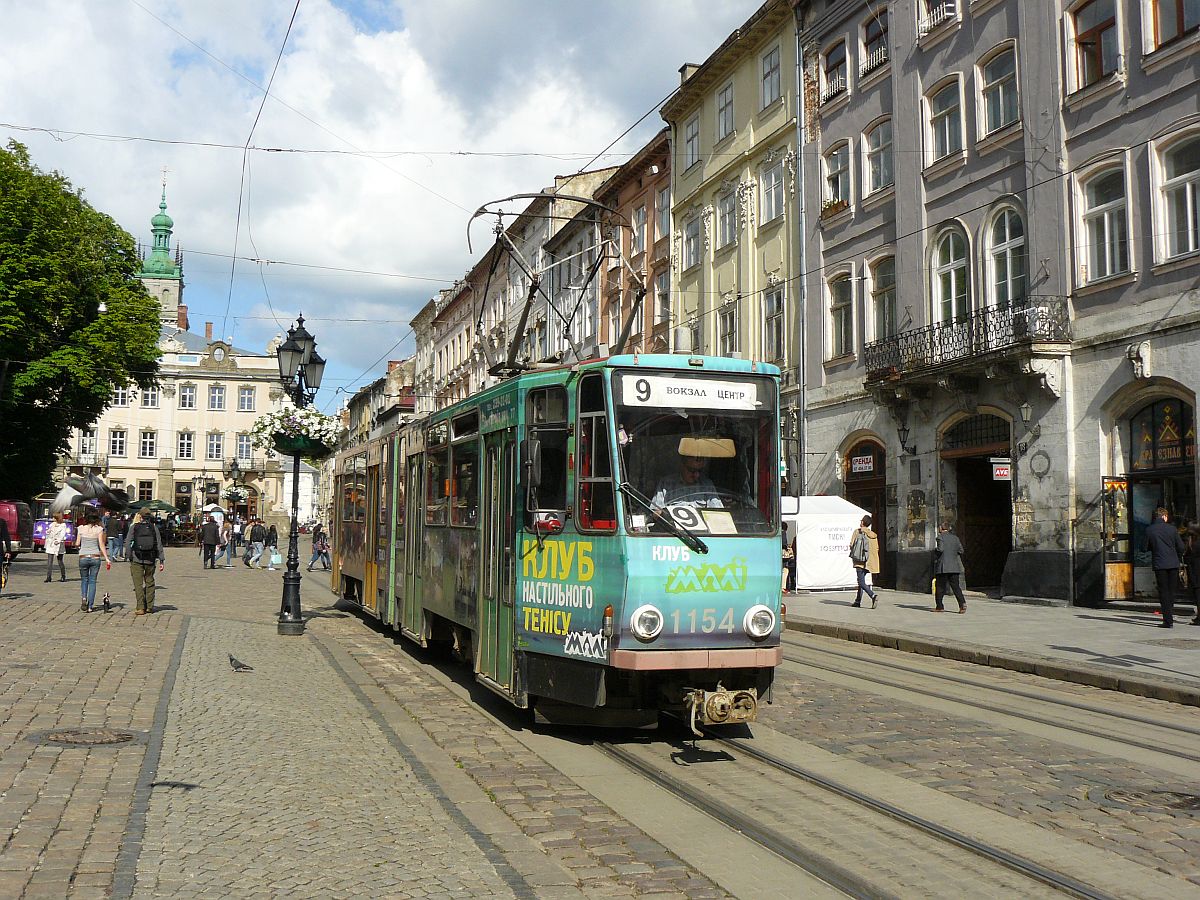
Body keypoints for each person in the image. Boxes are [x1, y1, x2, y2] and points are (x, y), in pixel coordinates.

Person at [1143, 507, 1185, 628]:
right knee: (1171, 591)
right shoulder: (1172, 529)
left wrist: (1154, 547)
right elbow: (1181, 546)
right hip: (1173, 563)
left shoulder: (1149, 530)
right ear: (1164, 516)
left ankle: (1168, 620)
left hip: (1159, 564)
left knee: (1164, 591)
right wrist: (1176, 555)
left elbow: (1143, 548)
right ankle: (1169, 613)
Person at [126, 509, 165, 615]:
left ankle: (140, 607)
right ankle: (150, 606)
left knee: (138, 584)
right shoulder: (154, 528)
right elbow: (159, 544)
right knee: (150, 582)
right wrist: (161, 559)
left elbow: (128, 542)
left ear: (140, 516)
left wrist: (128, 556)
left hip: (136, 558)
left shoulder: (134, 527)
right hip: (151, 558)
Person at [652, 452, 723, 509]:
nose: (697, 475)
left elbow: (718, 512)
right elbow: (655, 512)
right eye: (692, 470)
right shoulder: (666, 484)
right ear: (682, 466)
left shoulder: (707, 485)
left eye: (700, 471)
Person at [73, 510, 111, 612]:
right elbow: (101, 544)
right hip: (95, 557)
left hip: (83, 557)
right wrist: (107, 558)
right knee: (92, 581)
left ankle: (84, 598)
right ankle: (90, 606)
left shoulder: (81, 528)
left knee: (84, 579)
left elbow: (77, 543)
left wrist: (78, 545)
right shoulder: (99, 529)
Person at [933, 521, 966, 613]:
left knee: (940, 587)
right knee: (956, 587)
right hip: (954, 567)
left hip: (943, 567)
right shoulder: (955, 538)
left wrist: (935, 551)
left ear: (941, 528)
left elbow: (940, 549)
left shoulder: (940, 537)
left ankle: (939, 606)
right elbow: (961, 550)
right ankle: (962, 604)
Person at [850, 514, 881, 609]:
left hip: (859, 561)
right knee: (861, 582)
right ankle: (857, 601)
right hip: (869, 562)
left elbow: (851, 545)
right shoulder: (873, 535)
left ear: (863, 522)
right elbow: (877, 548)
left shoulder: (857, 532)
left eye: (861, 521)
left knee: (861, 582)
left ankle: (873, 596)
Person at [43, 513, 69, 583]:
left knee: (60, 561)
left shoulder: (63, 525)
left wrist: (59, 540)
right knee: (49, 561)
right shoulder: (52, 524)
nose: (53, 519)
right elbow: (48, 531)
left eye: (54, 518)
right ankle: (48, 577)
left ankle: (63, 576)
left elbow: (62, 534)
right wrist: (48, 532)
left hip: (58, 544)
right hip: (51, 543)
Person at [1184, 524, 1200, 627]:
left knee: (1197, 595)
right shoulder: (1192, 543)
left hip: (1195, 573)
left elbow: (1186, 557)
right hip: (1195, 572)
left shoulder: (1190, 543)